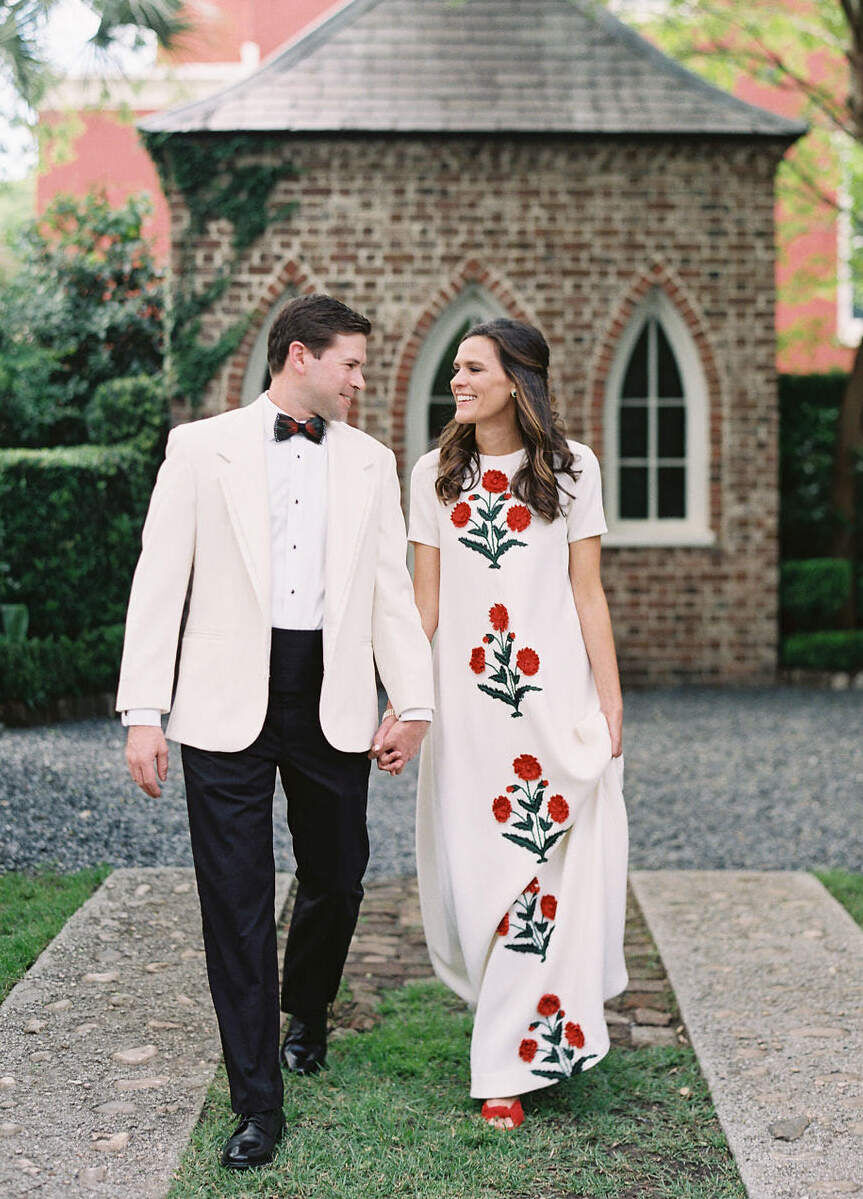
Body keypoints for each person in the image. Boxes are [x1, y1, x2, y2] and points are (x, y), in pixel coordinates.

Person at [117, 294, 433, 1170]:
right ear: (300, 355)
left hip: (330, 697)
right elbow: (158, 580)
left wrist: (411, 701)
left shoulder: (370, 462)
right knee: (237, 906)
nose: (362, 381)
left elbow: (389, 592)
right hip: (222, 703)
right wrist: (145, 711)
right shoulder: (200, 447)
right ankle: (258, 1103)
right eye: (352, 364)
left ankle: (310, 1003)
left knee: (336, 877)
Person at [399, 318, 628, 1130]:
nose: (456, 380)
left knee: (551, 880)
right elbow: (423, 605)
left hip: (555, 706)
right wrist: (404, 699)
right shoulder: (432, 474)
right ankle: (515, 1038)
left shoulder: (572, 471)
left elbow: (586, 591)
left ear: (515, 381)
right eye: (455, 368)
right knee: (487, 874)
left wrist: (610, 701)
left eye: (471, 368)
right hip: (470, 714)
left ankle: (508, 1061)